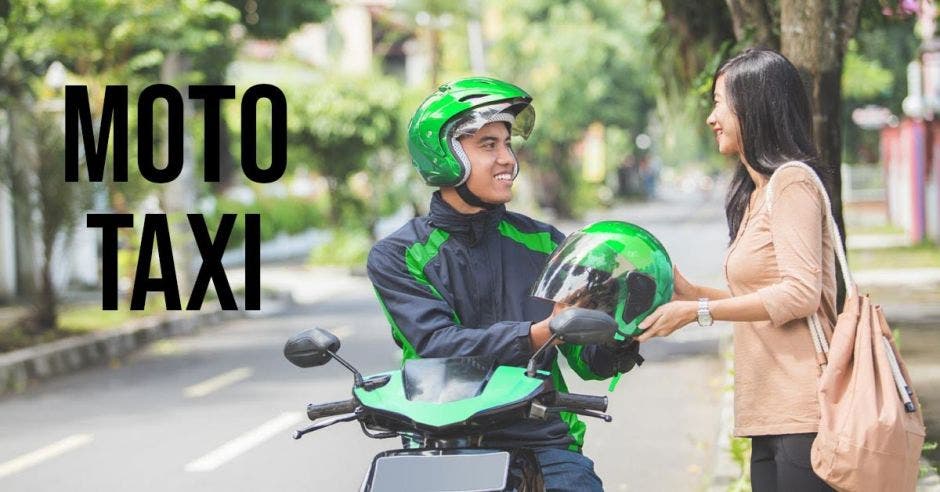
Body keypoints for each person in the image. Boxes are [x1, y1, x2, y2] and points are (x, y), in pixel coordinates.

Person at [367, 76, 640, 491]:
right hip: (438, 439)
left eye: (508, 144)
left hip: (540, 439)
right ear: (444, 155)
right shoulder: (399, 255)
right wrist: (540, 332)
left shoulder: (545, 242)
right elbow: (439, 345)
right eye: (488, 145)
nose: (508, 159)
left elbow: (590, 360)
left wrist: (622, 327)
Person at [635, 48, 837, 491]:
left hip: (806, 411)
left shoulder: (792, 182)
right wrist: (689, 293)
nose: (712, 117)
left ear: (756, 107)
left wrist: (697, 314)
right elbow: (767, 301)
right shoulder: (755, 191)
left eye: (720, 102)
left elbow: (800, 294)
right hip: (769, 412)